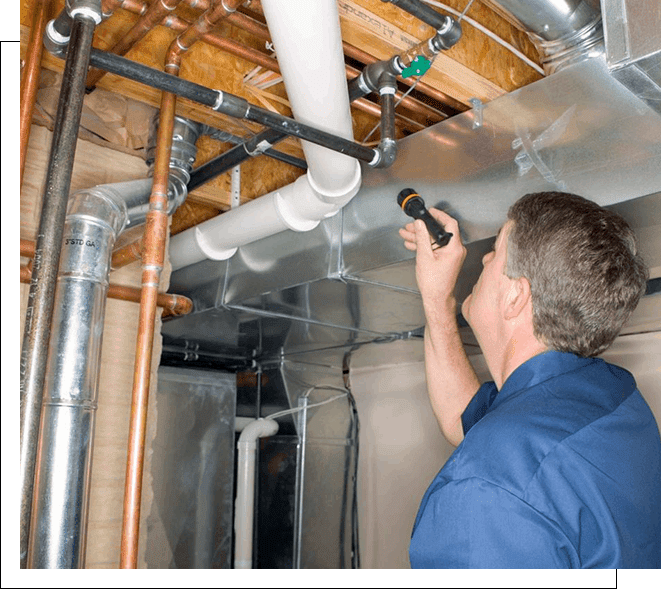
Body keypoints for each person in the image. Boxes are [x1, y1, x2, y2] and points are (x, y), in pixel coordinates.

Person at [398, 191, 661, 569]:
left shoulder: (485, 491)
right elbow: (467, 421)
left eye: (494, 252)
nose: (483, 258)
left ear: (515, 296)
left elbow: (501, 465)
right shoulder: (614, 396)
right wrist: (437, 300)